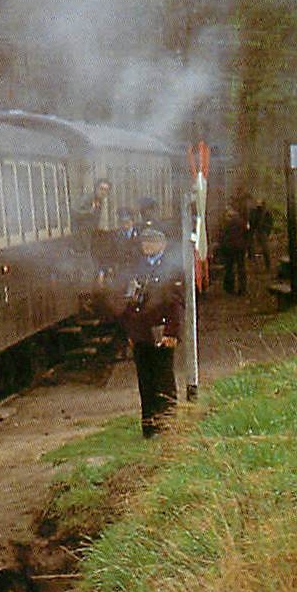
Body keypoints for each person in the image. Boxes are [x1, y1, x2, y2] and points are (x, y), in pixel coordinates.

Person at [118, 225, 186, 437]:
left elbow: (176, 303)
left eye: (151, 242)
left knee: (163, 379)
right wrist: (130, 333)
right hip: (141, 333)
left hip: (161, 330)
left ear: (162, 245)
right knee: (145, 382)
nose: (146, 246)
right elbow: (129, 304)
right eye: (144, 243)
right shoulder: (138, 268)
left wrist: (172, 332)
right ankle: (149, 427)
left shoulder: (171, 268)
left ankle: (166, 424)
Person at [77, 178, 116, 280]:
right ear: (96, 188)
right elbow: (74, 212)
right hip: (81, 239)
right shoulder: (88, 199)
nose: (103, 192)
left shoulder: (99, 200)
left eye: (106, 190)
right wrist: (90, 211)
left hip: (91, 237)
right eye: (101, 189)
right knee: (88, 268)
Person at [218, 203, 249, 295]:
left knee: (229, 268)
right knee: (241, 268)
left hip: (229, 248)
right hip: (240, 247)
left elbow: (222, 236)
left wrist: (222, 246)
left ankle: (229, 288)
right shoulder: (241, 221)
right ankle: (242, 288)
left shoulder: (226, 223)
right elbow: (246, 234)